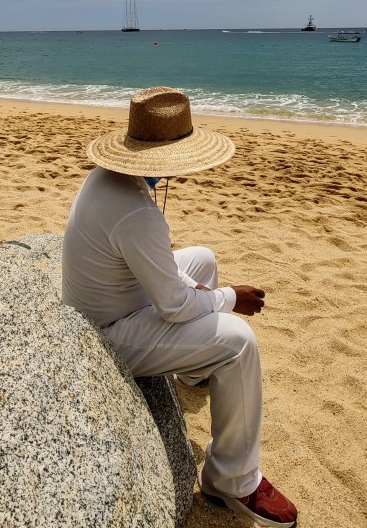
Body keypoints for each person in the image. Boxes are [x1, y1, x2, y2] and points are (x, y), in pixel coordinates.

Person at [62, 86, 298, 528]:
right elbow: (173, 305)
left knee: (202, 258)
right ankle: (232, 479)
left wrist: (207, 291)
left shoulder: (106, 179)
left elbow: (161, 275)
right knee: (239, 341)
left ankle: (193, 370)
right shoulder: (136, 212)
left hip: (104, 306)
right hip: (105, 335)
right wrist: (231, 298)